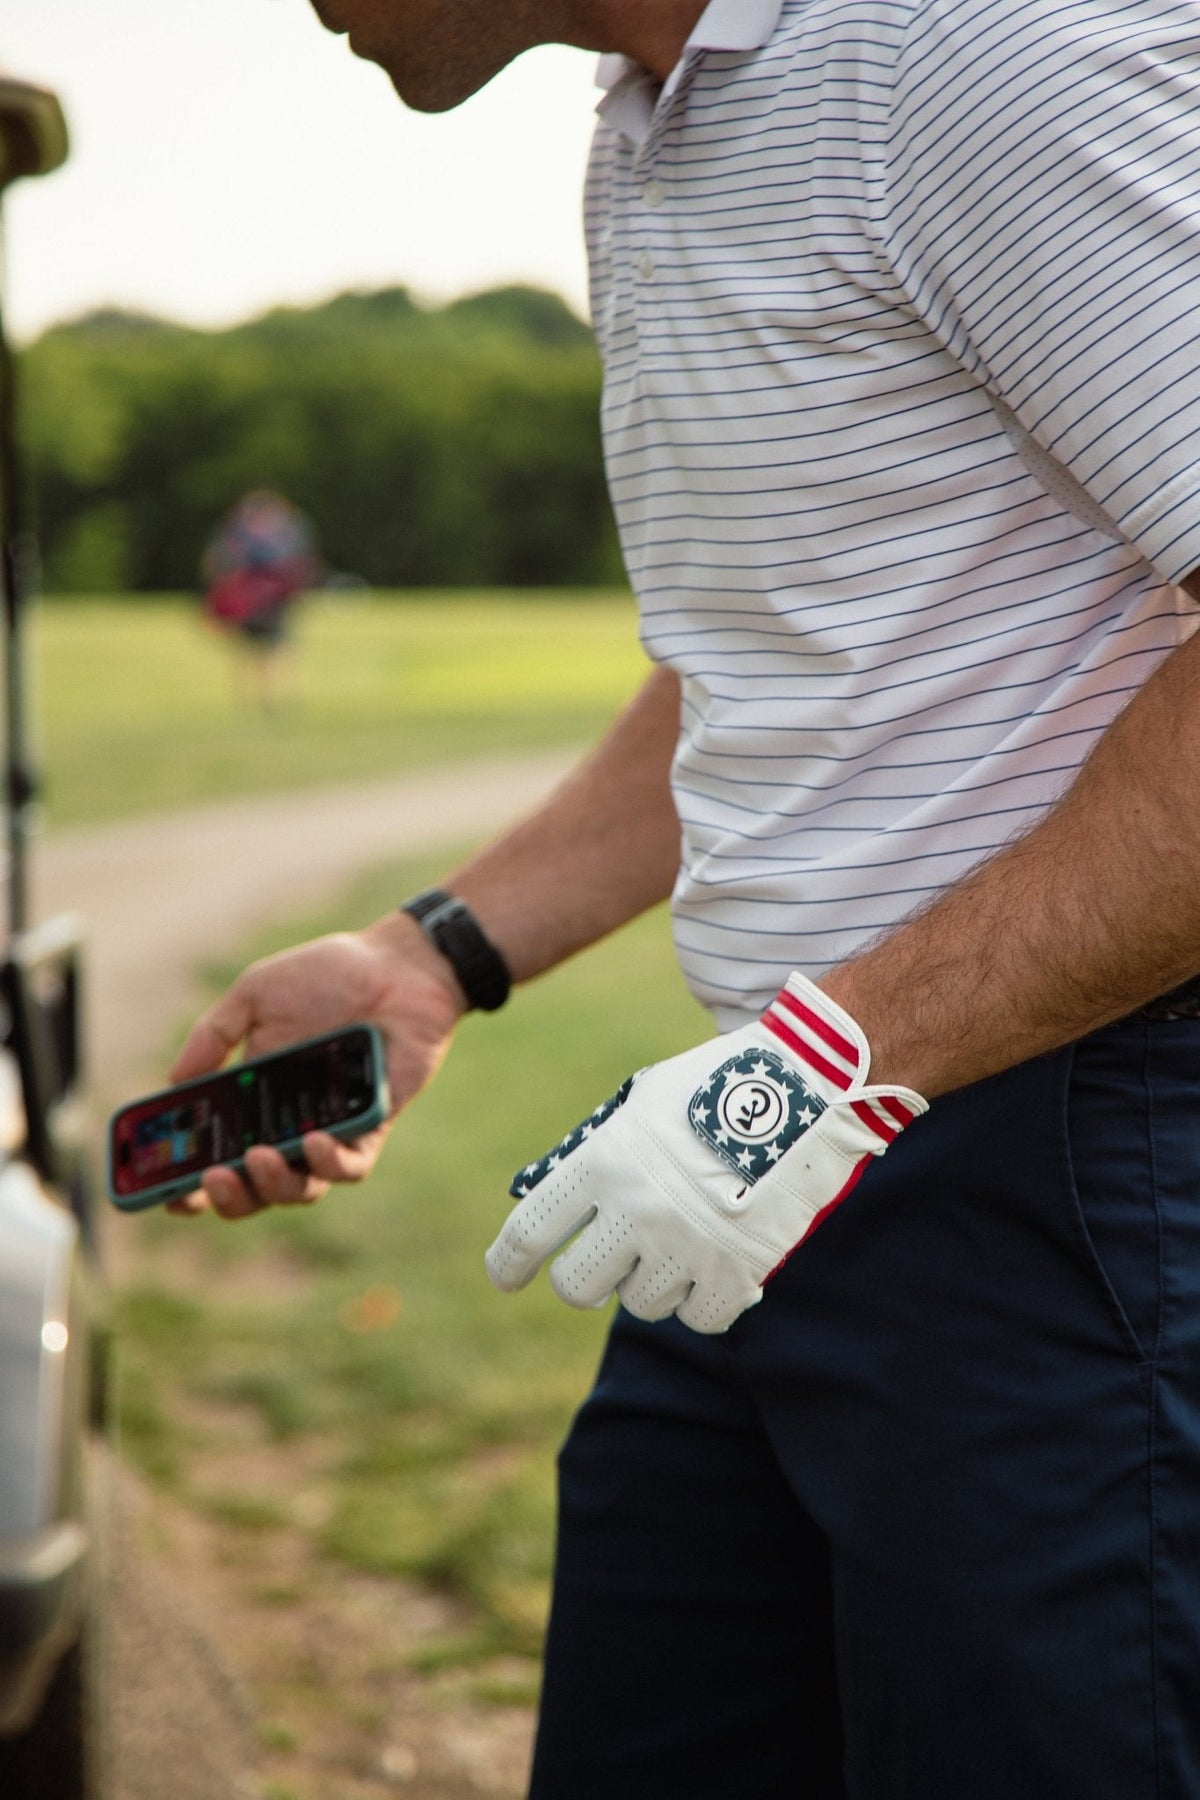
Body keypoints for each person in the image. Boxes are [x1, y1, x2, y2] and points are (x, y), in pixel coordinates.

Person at [168, 3, 1200, 1793]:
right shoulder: (652, 123)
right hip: (775, 1153)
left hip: (1081, 1174)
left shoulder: (974, 54)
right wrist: (432, 955)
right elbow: (781, 656)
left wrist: (828, 1067)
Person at [200, 489, 319, 711]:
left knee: (274, 648)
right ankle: (263, 698)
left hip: (270, 599)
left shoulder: (242, 534)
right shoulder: (277, 534)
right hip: (254, 599)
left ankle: (274, 697)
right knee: (259, 649)